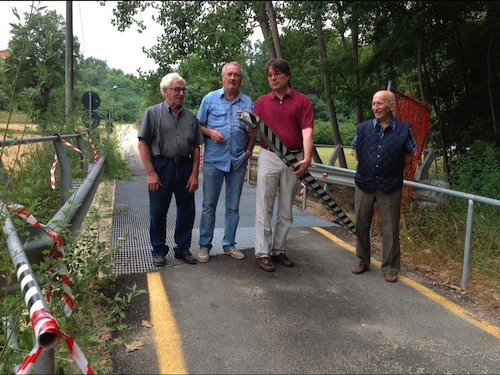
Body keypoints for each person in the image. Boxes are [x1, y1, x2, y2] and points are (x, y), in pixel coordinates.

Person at [253, 58, 314, 272]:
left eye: (277, 74)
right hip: (269, 156)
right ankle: (262, 252)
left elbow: (307, 130)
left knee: (286, 208)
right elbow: (254, 130)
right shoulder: (261, 102)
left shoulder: (302, 101)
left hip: (293, 158)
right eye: (269, 75)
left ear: (287, 75)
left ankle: (278, 250)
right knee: (264, 206)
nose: (273, 78)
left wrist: (307, 157)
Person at [350, 90, 417, 282]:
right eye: (373, 104)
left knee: (390, 228)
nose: (375, 107)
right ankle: (362, 261)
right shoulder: (363, 128)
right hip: (364, 182)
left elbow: (409, 157)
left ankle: (390, 267)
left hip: (390, 184)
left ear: (392, 106)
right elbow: (358, 153)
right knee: (361, 224)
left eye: (380, 104)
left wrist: (389, 169)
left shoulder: (404, 129)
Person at [137, 72, 203, 267]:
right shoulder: (152, 113)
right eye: (177, 89)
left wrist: (194, 174)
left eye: (183, 89)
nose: (181, 93)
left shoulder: (190, 117)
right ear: (165, 91)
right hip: (161, 167)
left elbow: (196, 148)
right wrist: (150, 173)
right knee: (158, 211)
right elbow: (142, 144)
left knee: (187, 211)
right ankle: (158, 249)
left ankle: (182, 249)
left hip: (184, 167)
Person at [196, 62, 256, 263]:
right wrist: (210, 132)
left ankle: (229, 244)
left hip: (237, 161)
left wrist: (248, 151)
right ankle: (204, 246)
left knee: (233, 206)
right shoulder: (210, 99)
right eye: (229, 74)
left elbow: (254, 131)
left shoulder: (247, 103)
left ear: (241, 79)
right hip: (214, 160)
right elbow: (198, 124)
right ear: (223, 77)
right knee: (208, 206)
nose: (232, 78)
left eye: (236, 75)